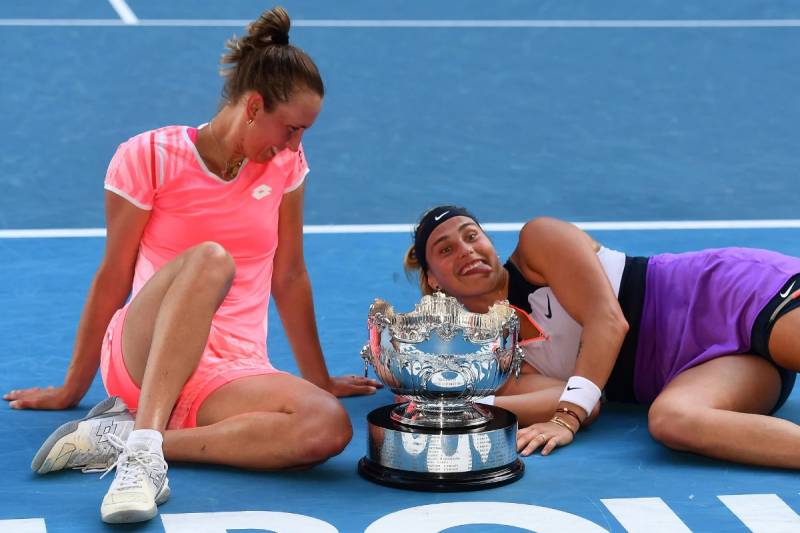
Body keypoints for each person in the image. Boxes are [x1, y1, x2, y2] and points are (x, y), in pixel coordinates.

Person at [3, 7, 380, 524]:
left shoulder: (288, 166)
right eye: (290, 128)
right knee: (210, 260)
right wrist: (73, 387)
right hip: (144, 351)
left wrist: (319, 380)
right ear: (253, 106)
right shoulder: (147, 156)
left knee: (326, 427)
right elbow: (114, 275)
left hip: (232, 370)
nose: (295, 144)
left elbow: (288, 276)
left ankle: (125, 438)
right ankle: (142, 457)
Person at [404, 205, 800, 468]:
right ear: (433, 281)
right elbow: (584, 402)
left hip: (736, 296)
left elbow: (608, 322)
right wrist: (458, 403)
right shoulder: (502, 355)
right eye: (446, 249)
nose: (467, 250)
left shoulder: (540, 242)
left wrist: (565, 419)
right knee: (672, 422)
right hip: (709, 367)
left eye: (472, 236)